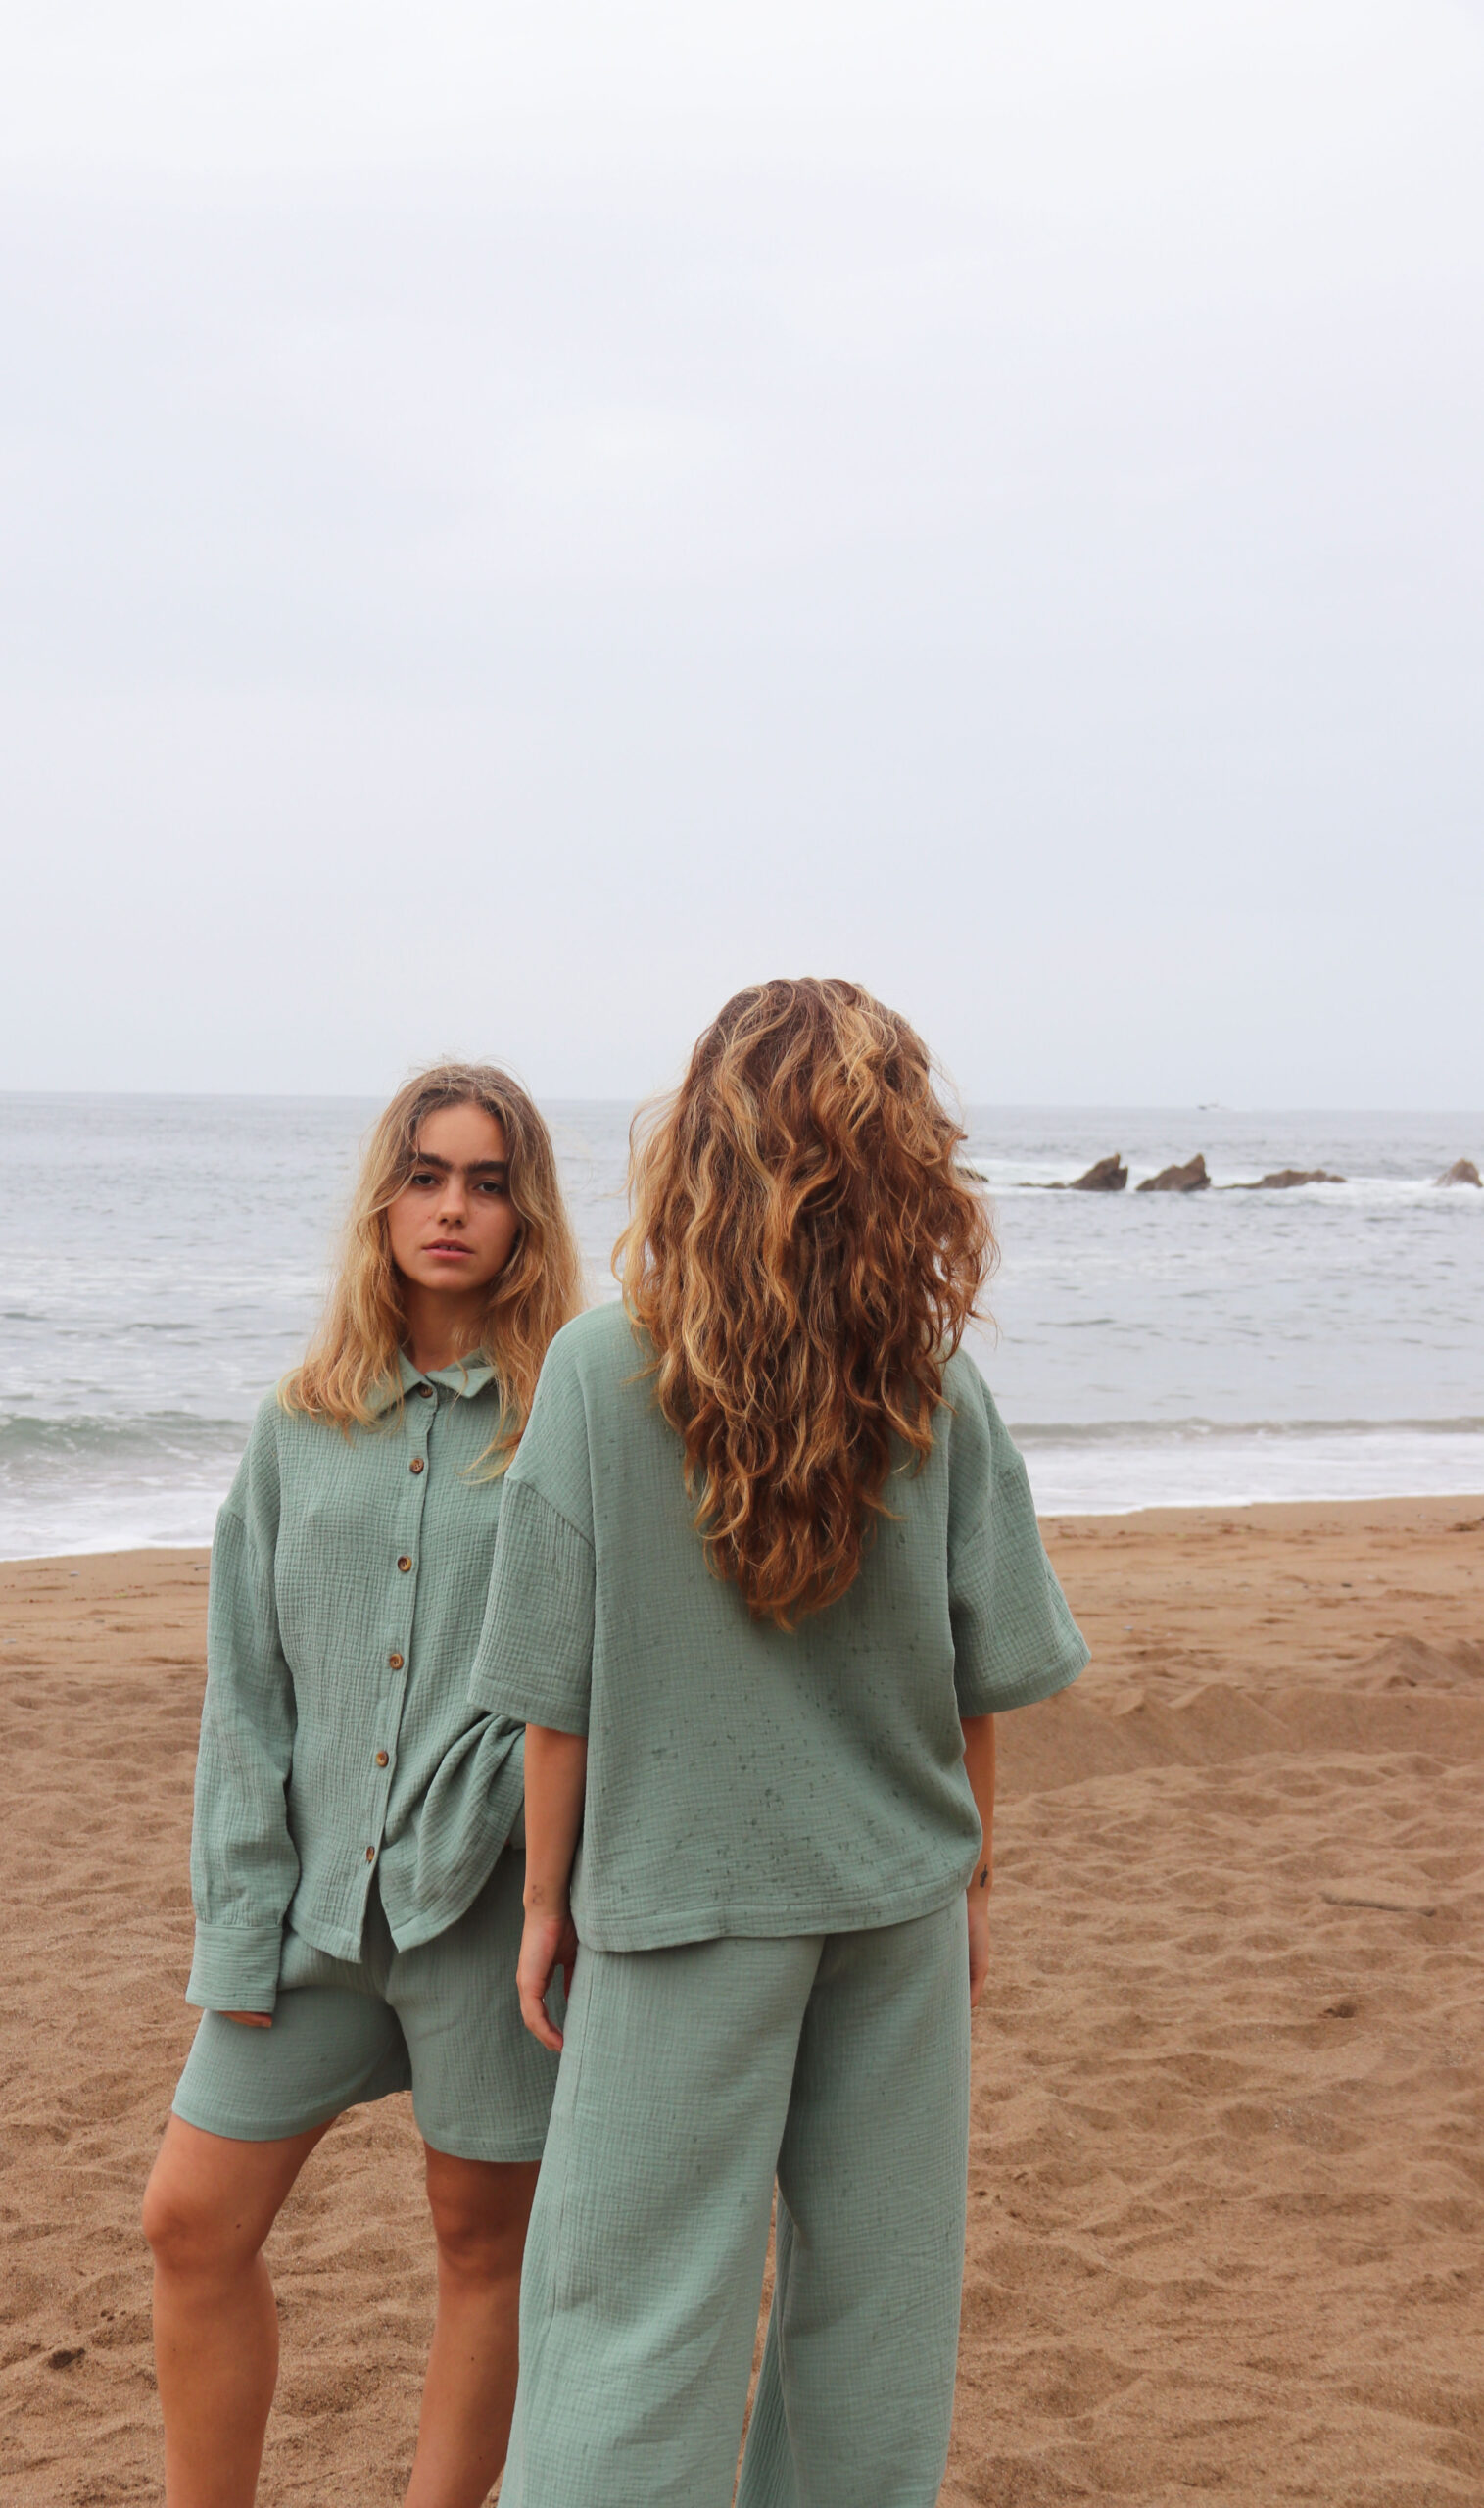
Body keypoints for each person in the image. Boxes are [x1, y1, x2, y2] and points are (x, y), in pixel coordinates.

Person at [467, 979, 1089, 2508]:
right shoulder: (938, 1386)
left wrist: (544, 1903)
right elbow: (978, 1684)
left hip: (680, 1908)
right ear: (900, 1160)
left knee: (633, 2319)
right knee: (875, 2324)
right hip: (896, 1907)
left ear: (701, 1140)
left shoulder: (598, 1375)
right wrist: (975, 1886)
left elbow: (556, 1698)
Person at [142, 1064, 583, 2508]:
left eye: (488, 1183)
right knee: (190, 2223)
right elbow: (247, 1691)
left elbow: (607, 1663)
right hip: (312, 1917)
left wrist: (531, 1837)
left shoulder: (571, 1420)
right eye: (426, 1176)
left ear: (526, 1215)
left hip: (493, 1918)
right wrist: (238, 1925)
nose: (454, 1209)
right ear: (383, 1203)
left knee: (480, 2249)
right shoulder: (297, 1423)